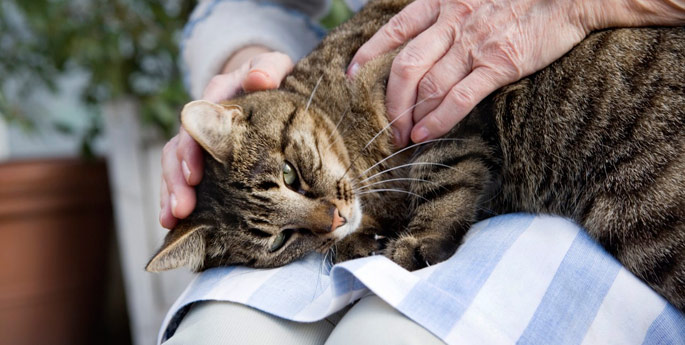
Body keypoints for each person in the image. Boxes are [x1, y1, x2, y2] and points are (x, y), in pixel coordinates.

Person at [159, 0, 685, 343]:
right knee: (216, 334)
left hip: (615, 93)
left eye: (294, 183)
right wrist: (250, 71)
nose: (327, 219)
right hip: (470, 168)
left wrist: (576, 7)